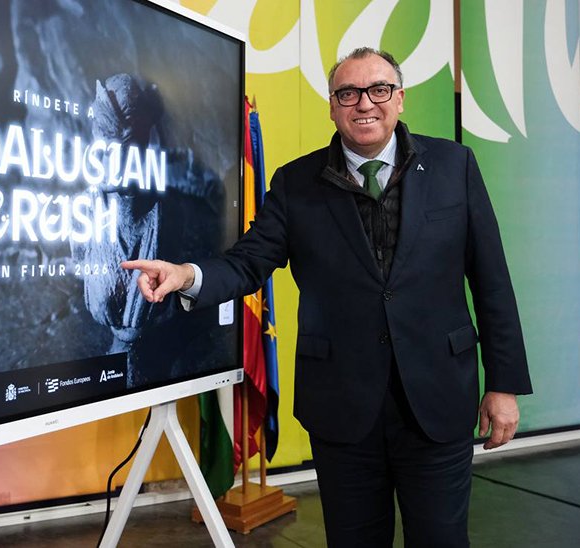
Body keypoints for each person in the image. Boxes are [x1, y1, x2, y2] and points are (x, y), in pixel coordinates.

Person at [121, 47, 532, 547]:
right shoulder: (295, 183)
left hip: (437, 400)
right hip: (343, 408)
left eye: (379, 90)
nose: (365, 103)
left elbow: (491, 280)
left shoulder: (454, 166)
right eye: (348, 93)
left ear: (399, 99)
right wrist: (187, 274)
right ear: (332, 106)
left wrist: (504, 385)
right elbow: (250, 261)